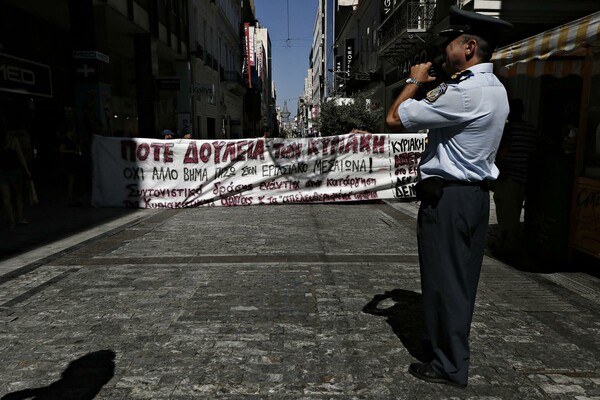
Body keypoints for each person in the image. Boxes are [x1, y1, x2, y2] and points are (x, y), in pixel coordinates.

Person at [385, 6, 512, 388]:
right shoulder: (494, 88)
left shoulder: (466, 93)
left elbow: (395, 119)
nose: (444, 52)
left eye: (451, 44)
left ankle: (450, 365)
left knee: (443, 280)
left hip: (450, 199)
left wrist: (412, 80)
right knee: (460, 280)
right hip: (472, 198)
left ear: (470, 46)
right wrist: (436, 81)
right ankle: (447, 343)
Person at [492, 98, 540, 257]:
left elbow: (502, 153)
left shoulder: (508, 130)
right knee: (515, 210)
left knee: (506, 213)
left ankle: (506, 245)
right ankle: (508, 243)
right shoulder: (531, 130)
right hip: (524, 176)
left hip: (508, 176)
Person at [0, 119, 32, 227]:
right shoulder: (13, 140)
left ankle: (11, 221)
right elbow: (20, 156)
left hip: (1, 170)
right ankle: (20, 217)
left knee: (6, 197)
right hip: (14, 169)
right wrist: (26, 170)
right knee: (18, 195)